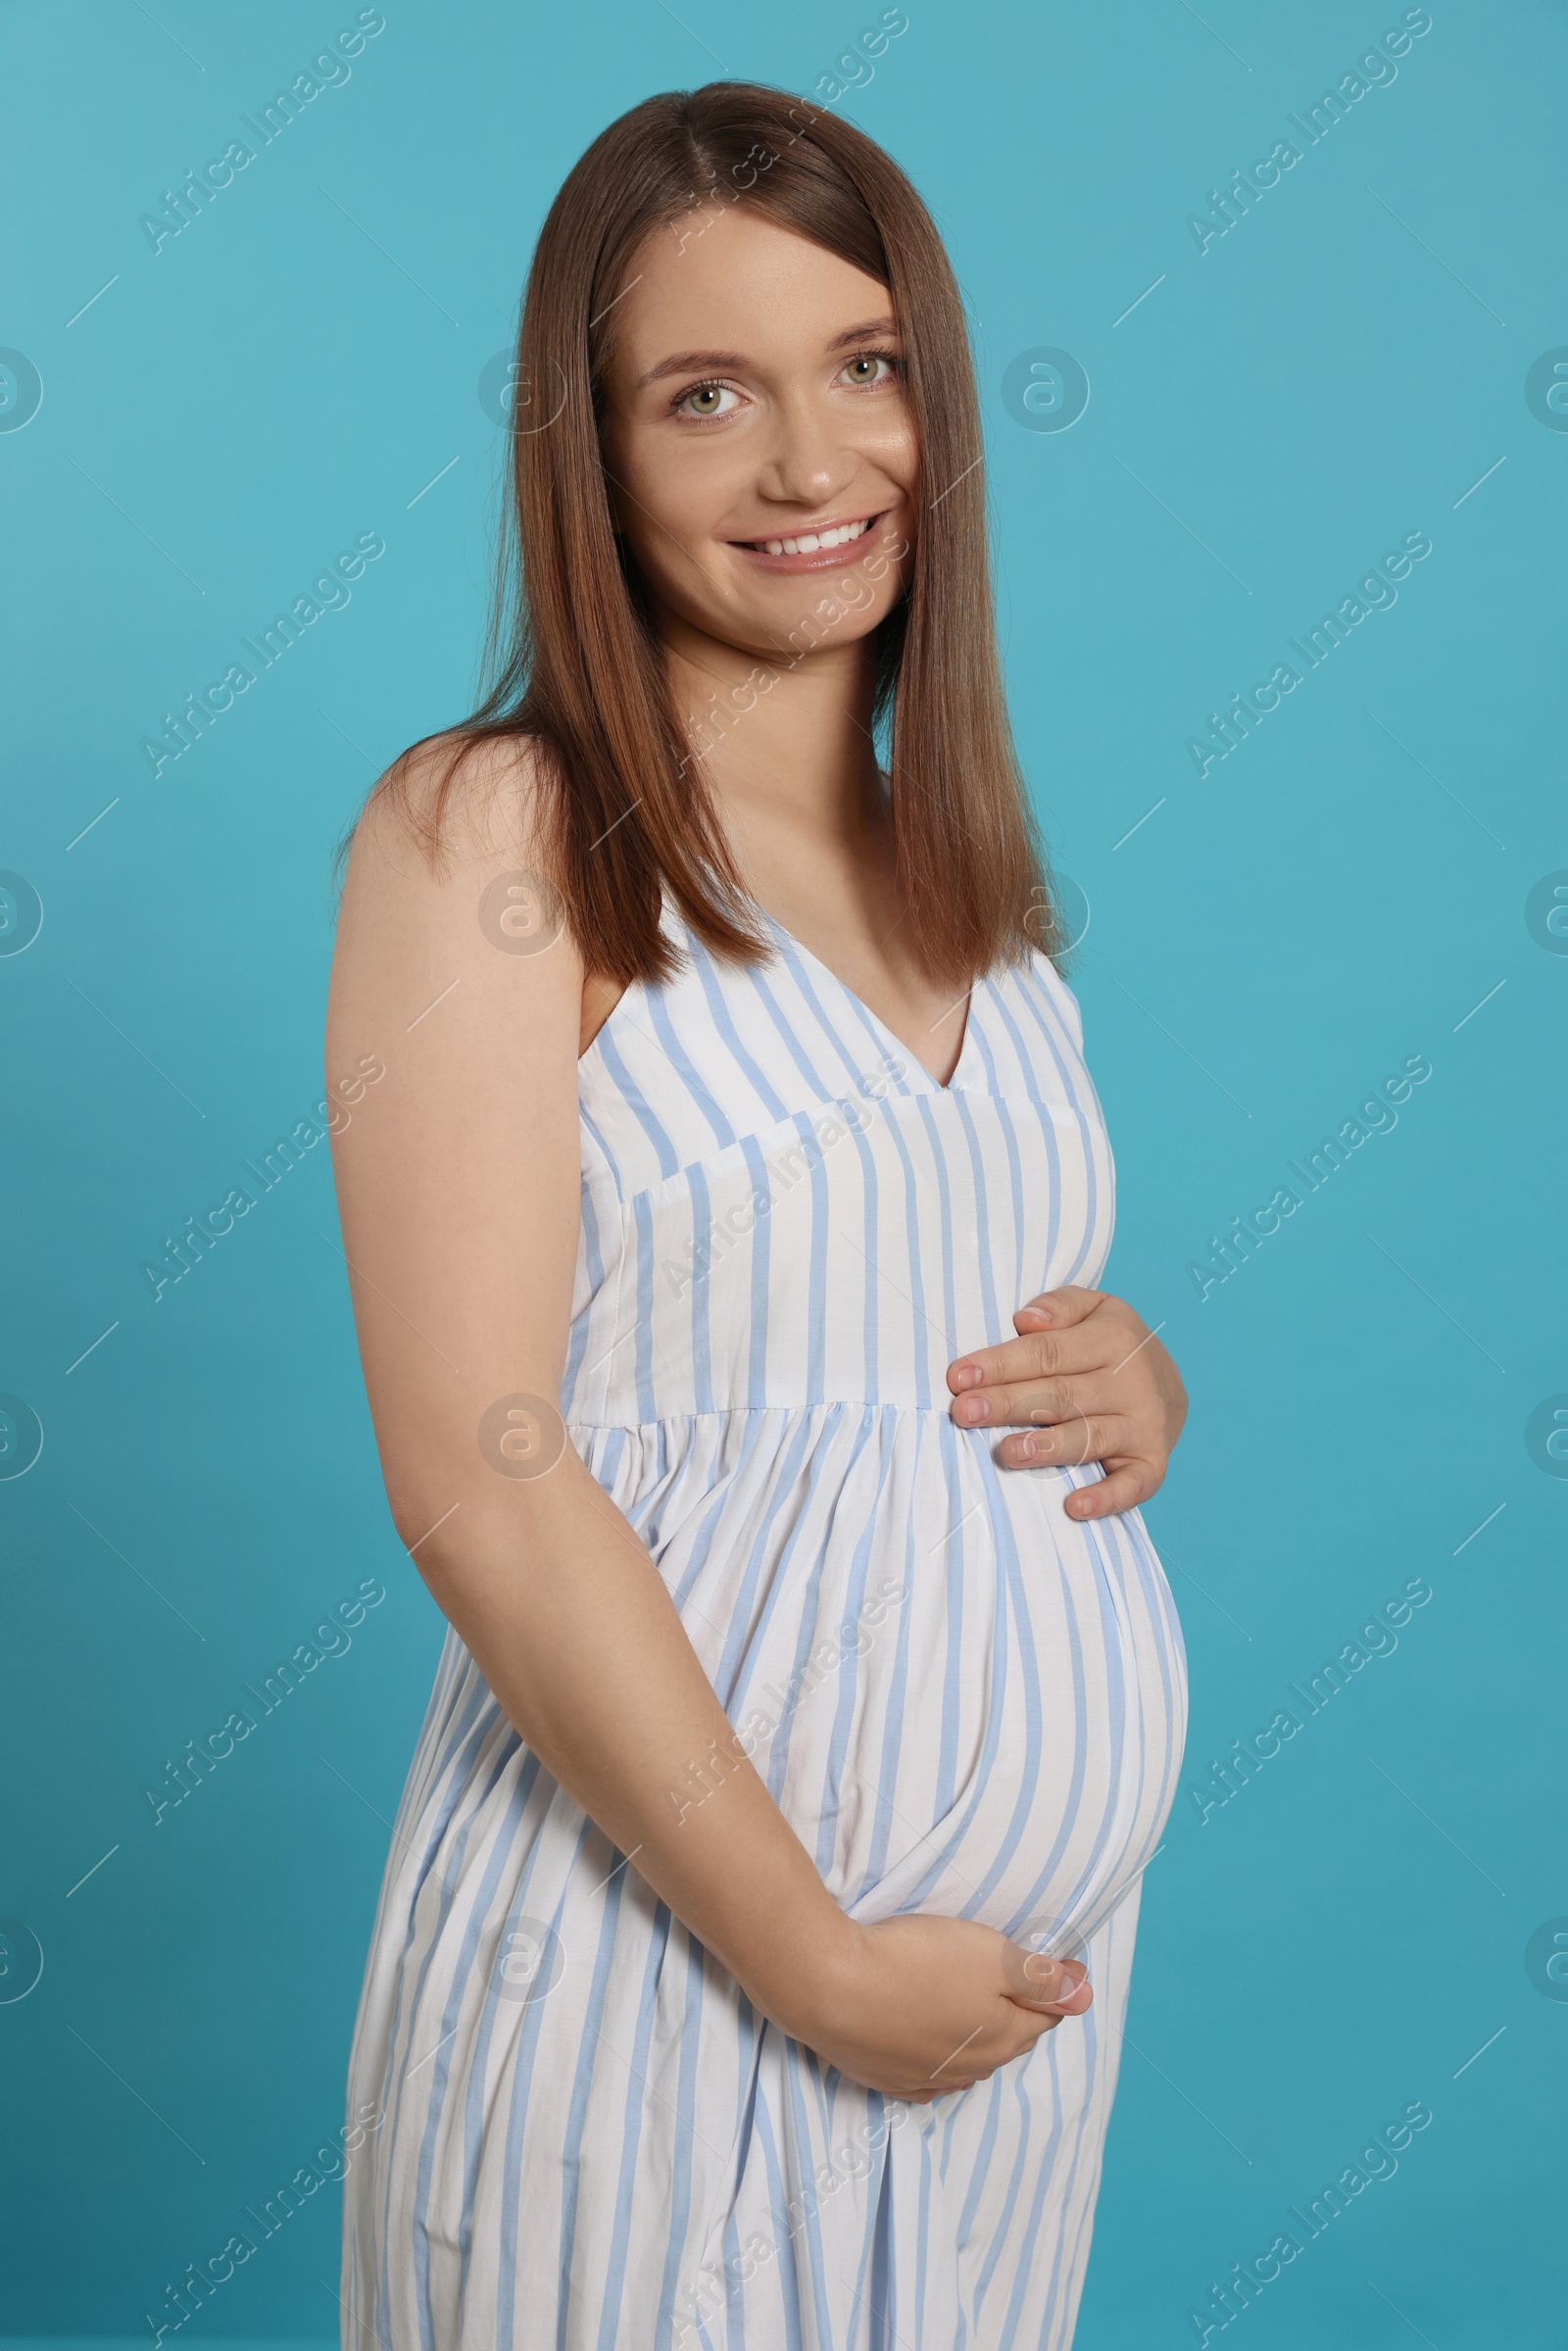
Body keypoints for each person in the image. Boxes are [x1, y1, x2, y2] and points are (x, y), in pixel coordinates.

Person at [326, 78, 1189, 2350]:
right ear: (589, 455)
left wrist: (1132, 1378)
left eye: (864, 369)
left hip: (989, 2059)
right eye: (705, 398)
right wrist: (811, 1958)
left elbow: (886, 1339)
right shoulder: (492, 834)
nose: (813, 469)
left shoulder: (975, 896)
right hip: (649, 1986)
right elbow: (475, 1484)